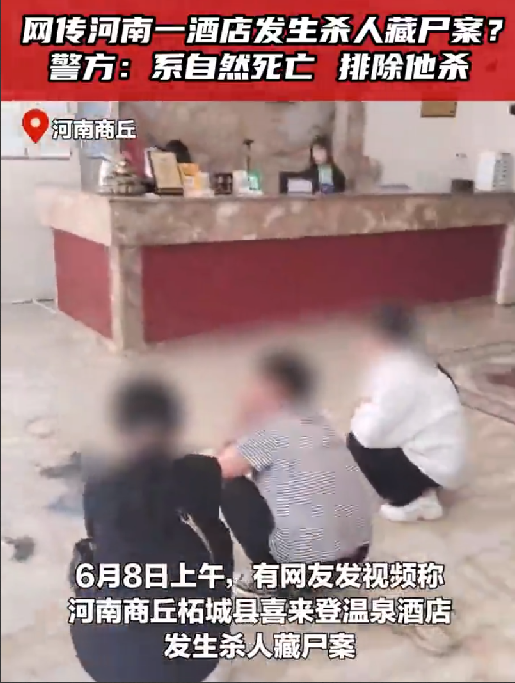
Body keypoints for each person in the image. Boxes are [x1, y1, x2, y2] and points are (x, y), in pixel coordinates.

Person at [70, 376, 233, 683]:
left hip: (104, 661)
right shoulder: (200, 471)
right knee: (215, 551)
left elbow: (95, 536)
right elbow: (215, 540)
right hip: (192, 664)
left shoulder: (100, 482)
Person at [217, 351, 372, 596]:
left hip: (310, 565)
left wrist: (243, 419)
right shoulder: (318, 419)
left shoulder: (270, 429)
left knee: (229, 487)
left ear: (274, 389)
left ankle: (278, 580)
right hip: (355, 556)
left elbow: (217, 469)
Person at [347, 304, 466, 523]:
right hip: (441, 461)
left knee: (358, 444)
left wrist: (360, 413)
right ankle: (423, 489)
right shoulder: (416, 361)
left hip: (432, 466)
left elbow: (370, 434)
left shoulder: (398, 375)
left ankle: (412, 502)